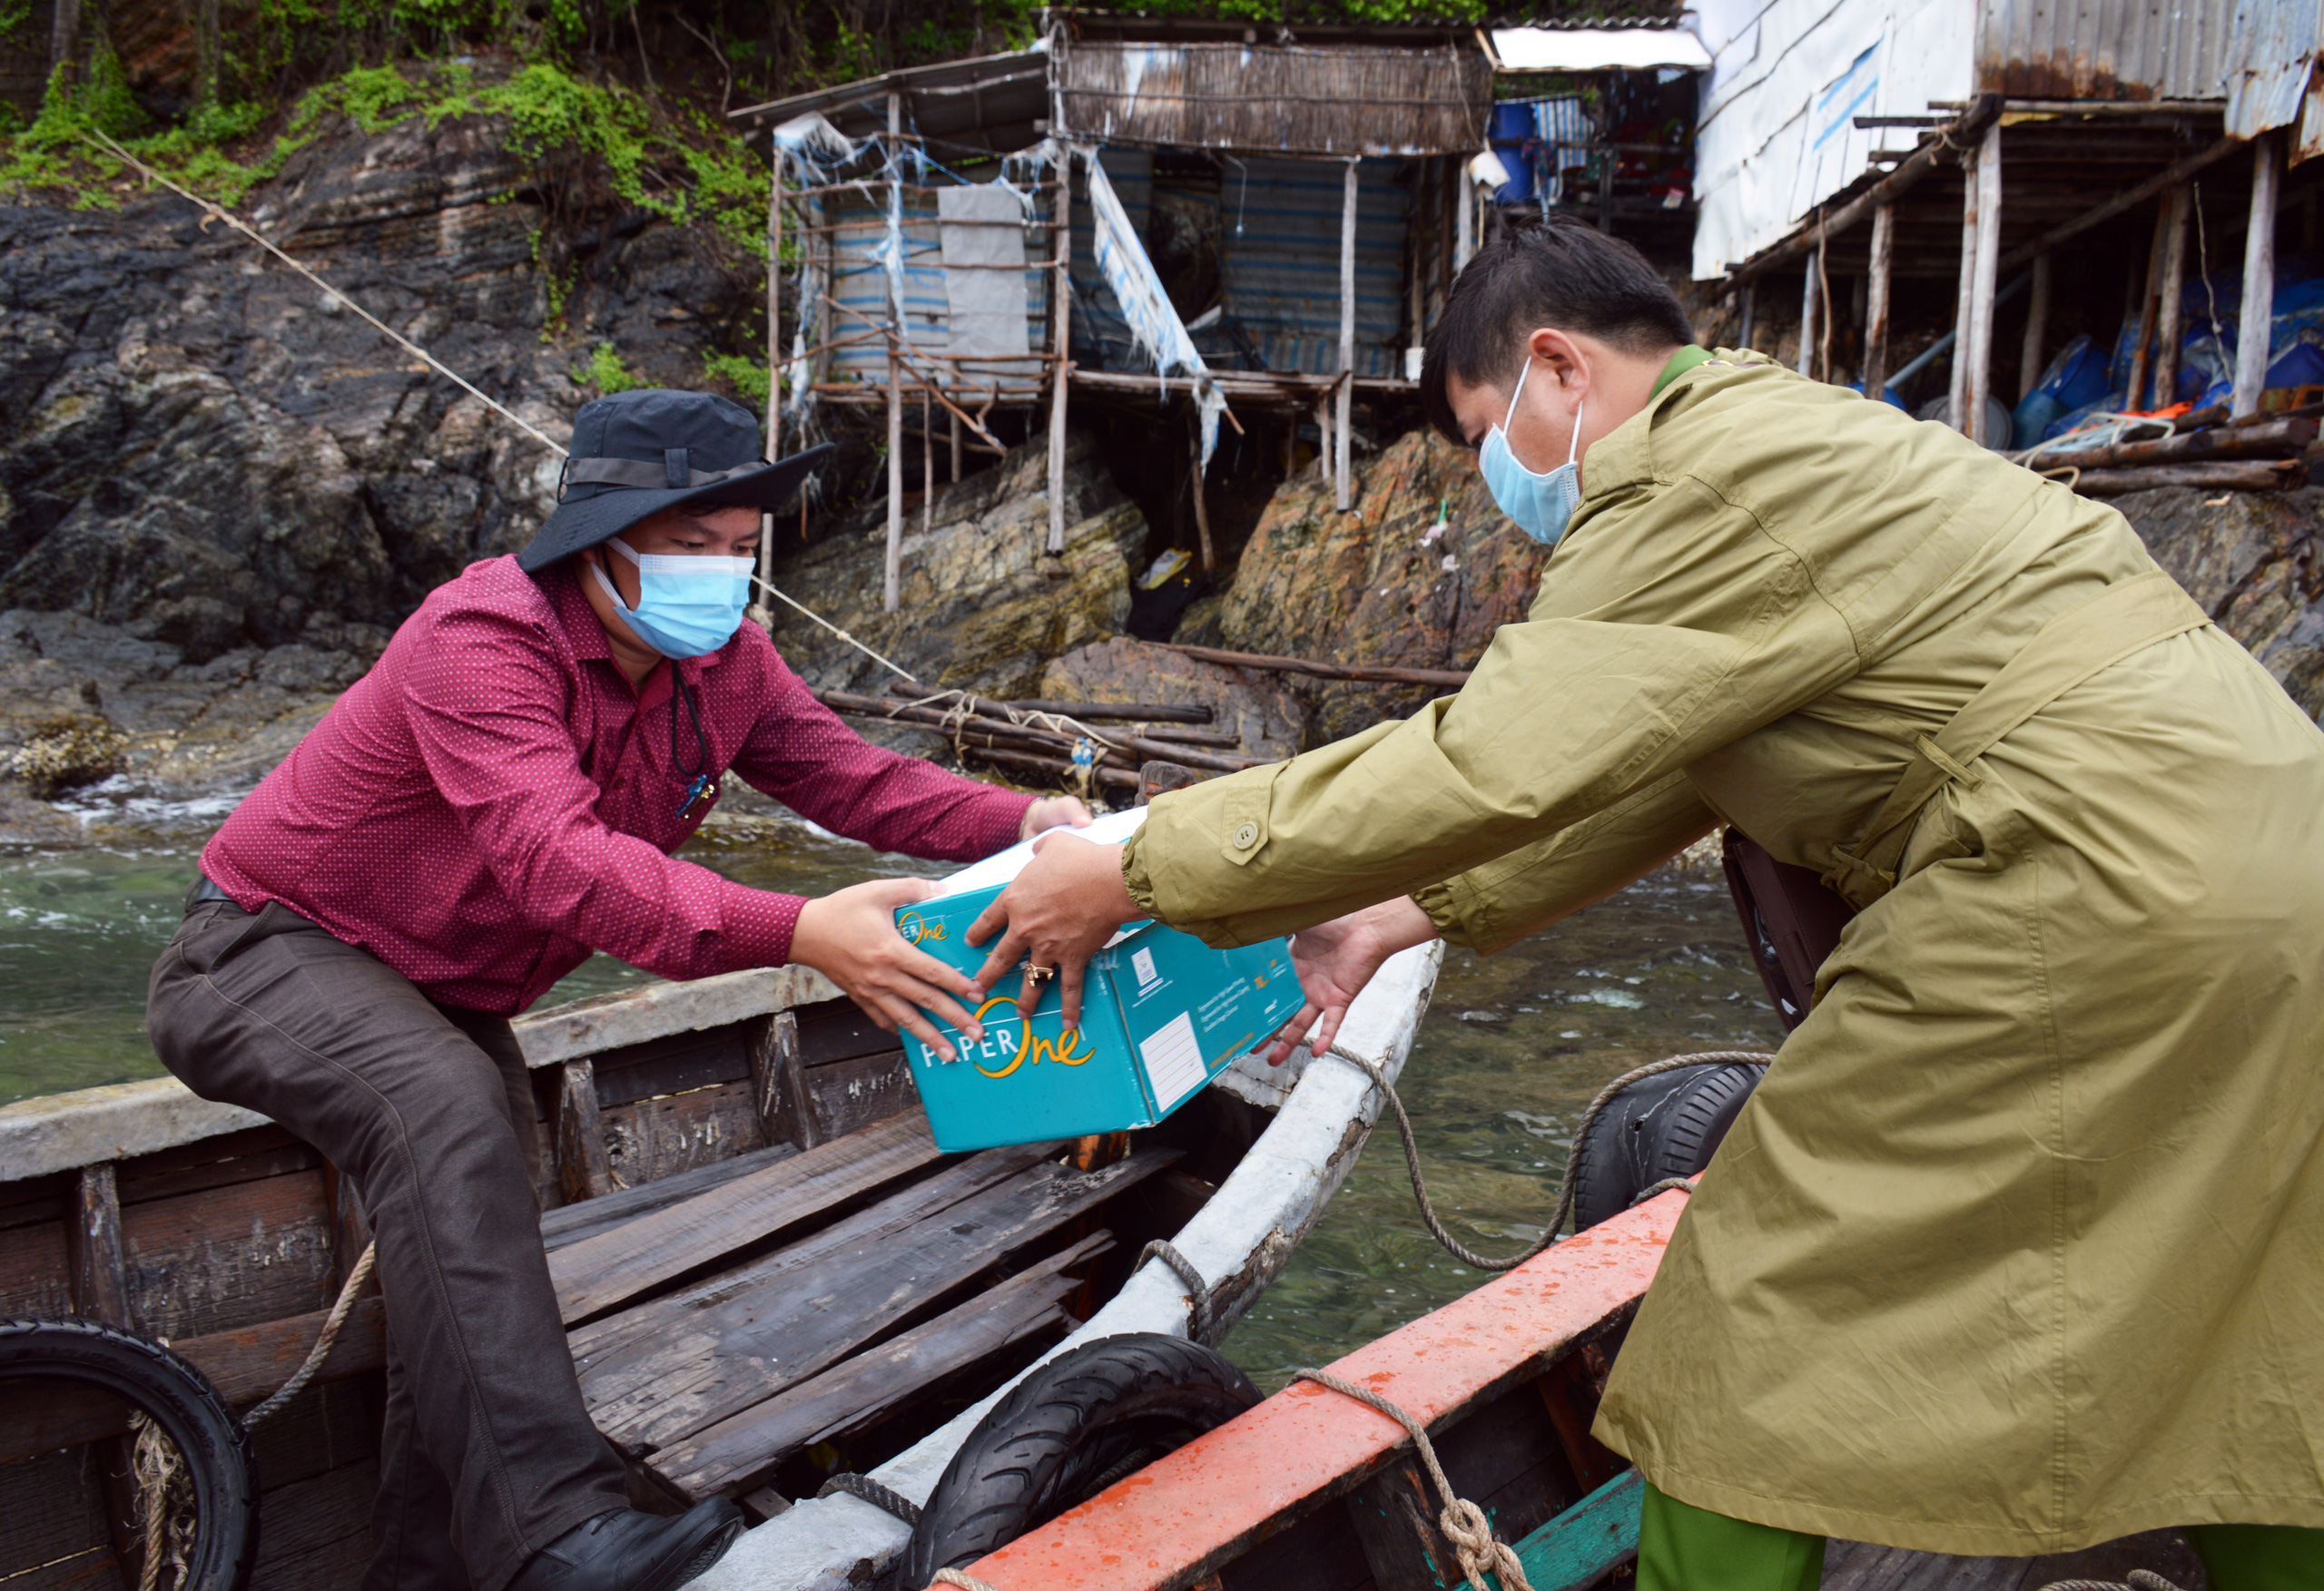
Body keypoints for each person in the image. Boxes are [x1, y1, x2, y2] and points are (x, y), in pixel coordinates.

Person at [960, 218, 2324, 1589]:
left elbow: (1492, 757)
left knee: (1756, 1302)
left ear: (1560, 369)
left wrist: (1137, 867)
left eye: (1488, 430)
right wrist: (1393, 915)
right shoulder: (1806, 435)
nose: (1501, 481)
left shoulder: (1685, 482)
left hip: (2080, 882)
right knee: (2233, 1317)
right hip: (2269, 860)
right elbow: (1665, 768)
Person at [145, 389, 1086, 1591]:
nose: (726, 573)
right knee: (446, 1111)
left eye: (743, 547)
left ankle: (427, 1572)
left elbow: (853, 779)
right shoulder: (483, 640)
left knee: (471, 1180)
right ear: (602, 540)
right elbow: (562, 866)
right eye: (693, 545)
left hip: (436, 995)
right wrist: (802, 930)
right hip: (260, 953)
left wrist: (1029, 819)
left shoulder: (725, 662)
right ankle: (554, 1537)